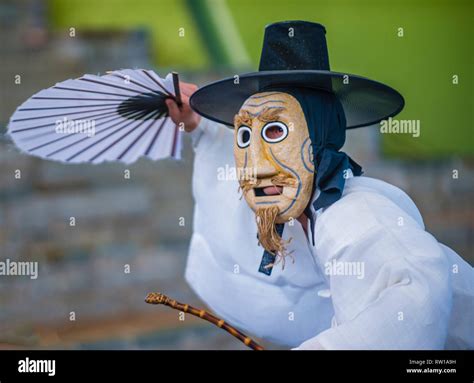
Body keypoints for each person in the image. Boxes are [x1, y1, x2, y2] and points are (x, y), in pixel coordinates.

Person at [165, 21, 473, 350]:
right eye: (244, 135)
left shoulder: (356, 215)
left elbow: (418, 296)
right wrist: (198, 126)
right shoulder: (307, 209)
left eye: (275, 132)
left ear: (319, 137)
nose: (254, 165)